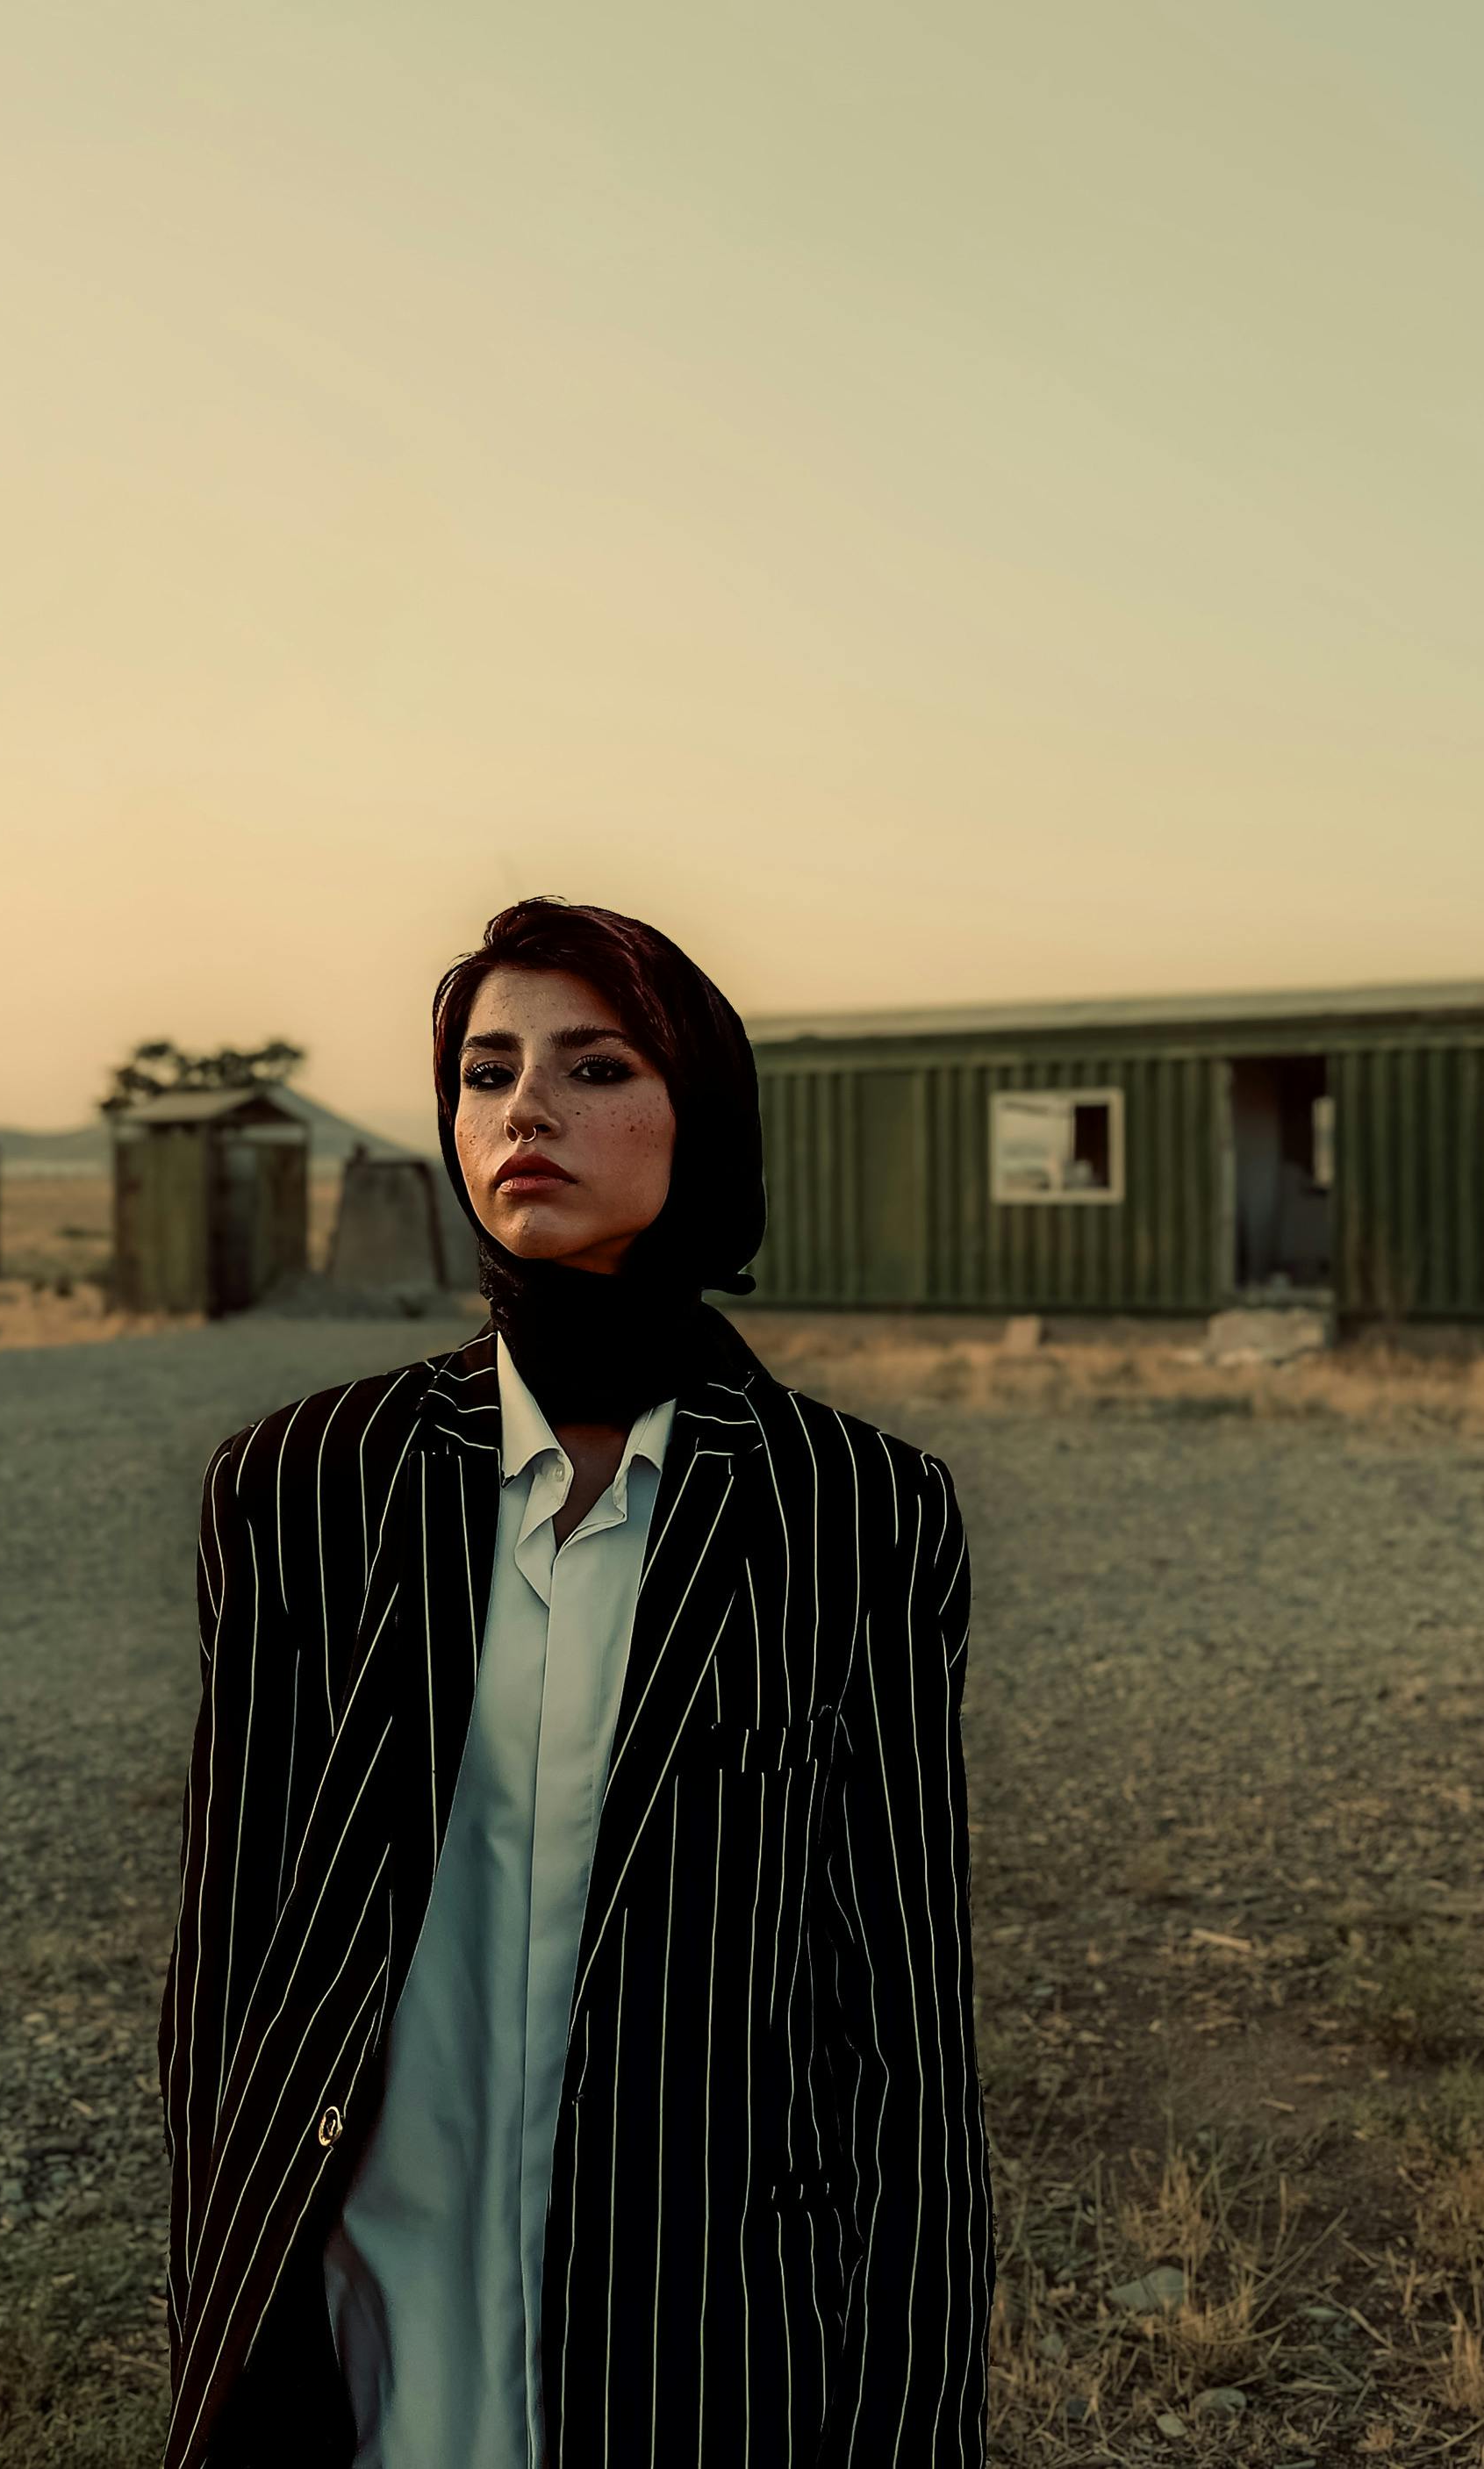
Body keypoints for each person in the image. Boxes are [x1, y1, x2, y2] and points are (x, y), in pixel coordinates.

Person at [158, 899, 990, 2468]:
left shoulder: (859, 1514)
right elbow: (230, 1987)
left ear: (705, 1121)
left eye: (594, 1066)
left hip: (712, 2354)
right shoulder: (300, 1488)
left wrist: (912, 2422)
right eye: (485, 1071)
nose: (524, 1107)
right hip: (370, 2342)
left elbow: (898, 2037)